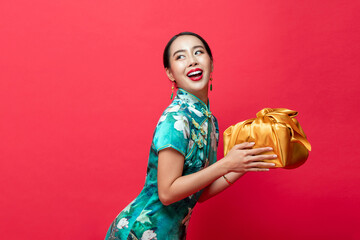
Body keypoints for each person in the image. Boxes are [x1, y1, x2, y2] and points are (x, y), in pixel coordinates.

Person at [104, 32, 277, 240]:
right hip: (139, 233)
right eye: (180, 56)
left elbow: (200, 192)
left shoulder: (209, 122)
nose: (192, 60)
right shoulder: (176, 119)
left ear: (211, 64)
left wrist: (243, 163)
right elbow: (167, 193)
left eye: (198, 52)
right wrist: (226, 163)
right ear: (170, 74)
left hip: (170, 234)